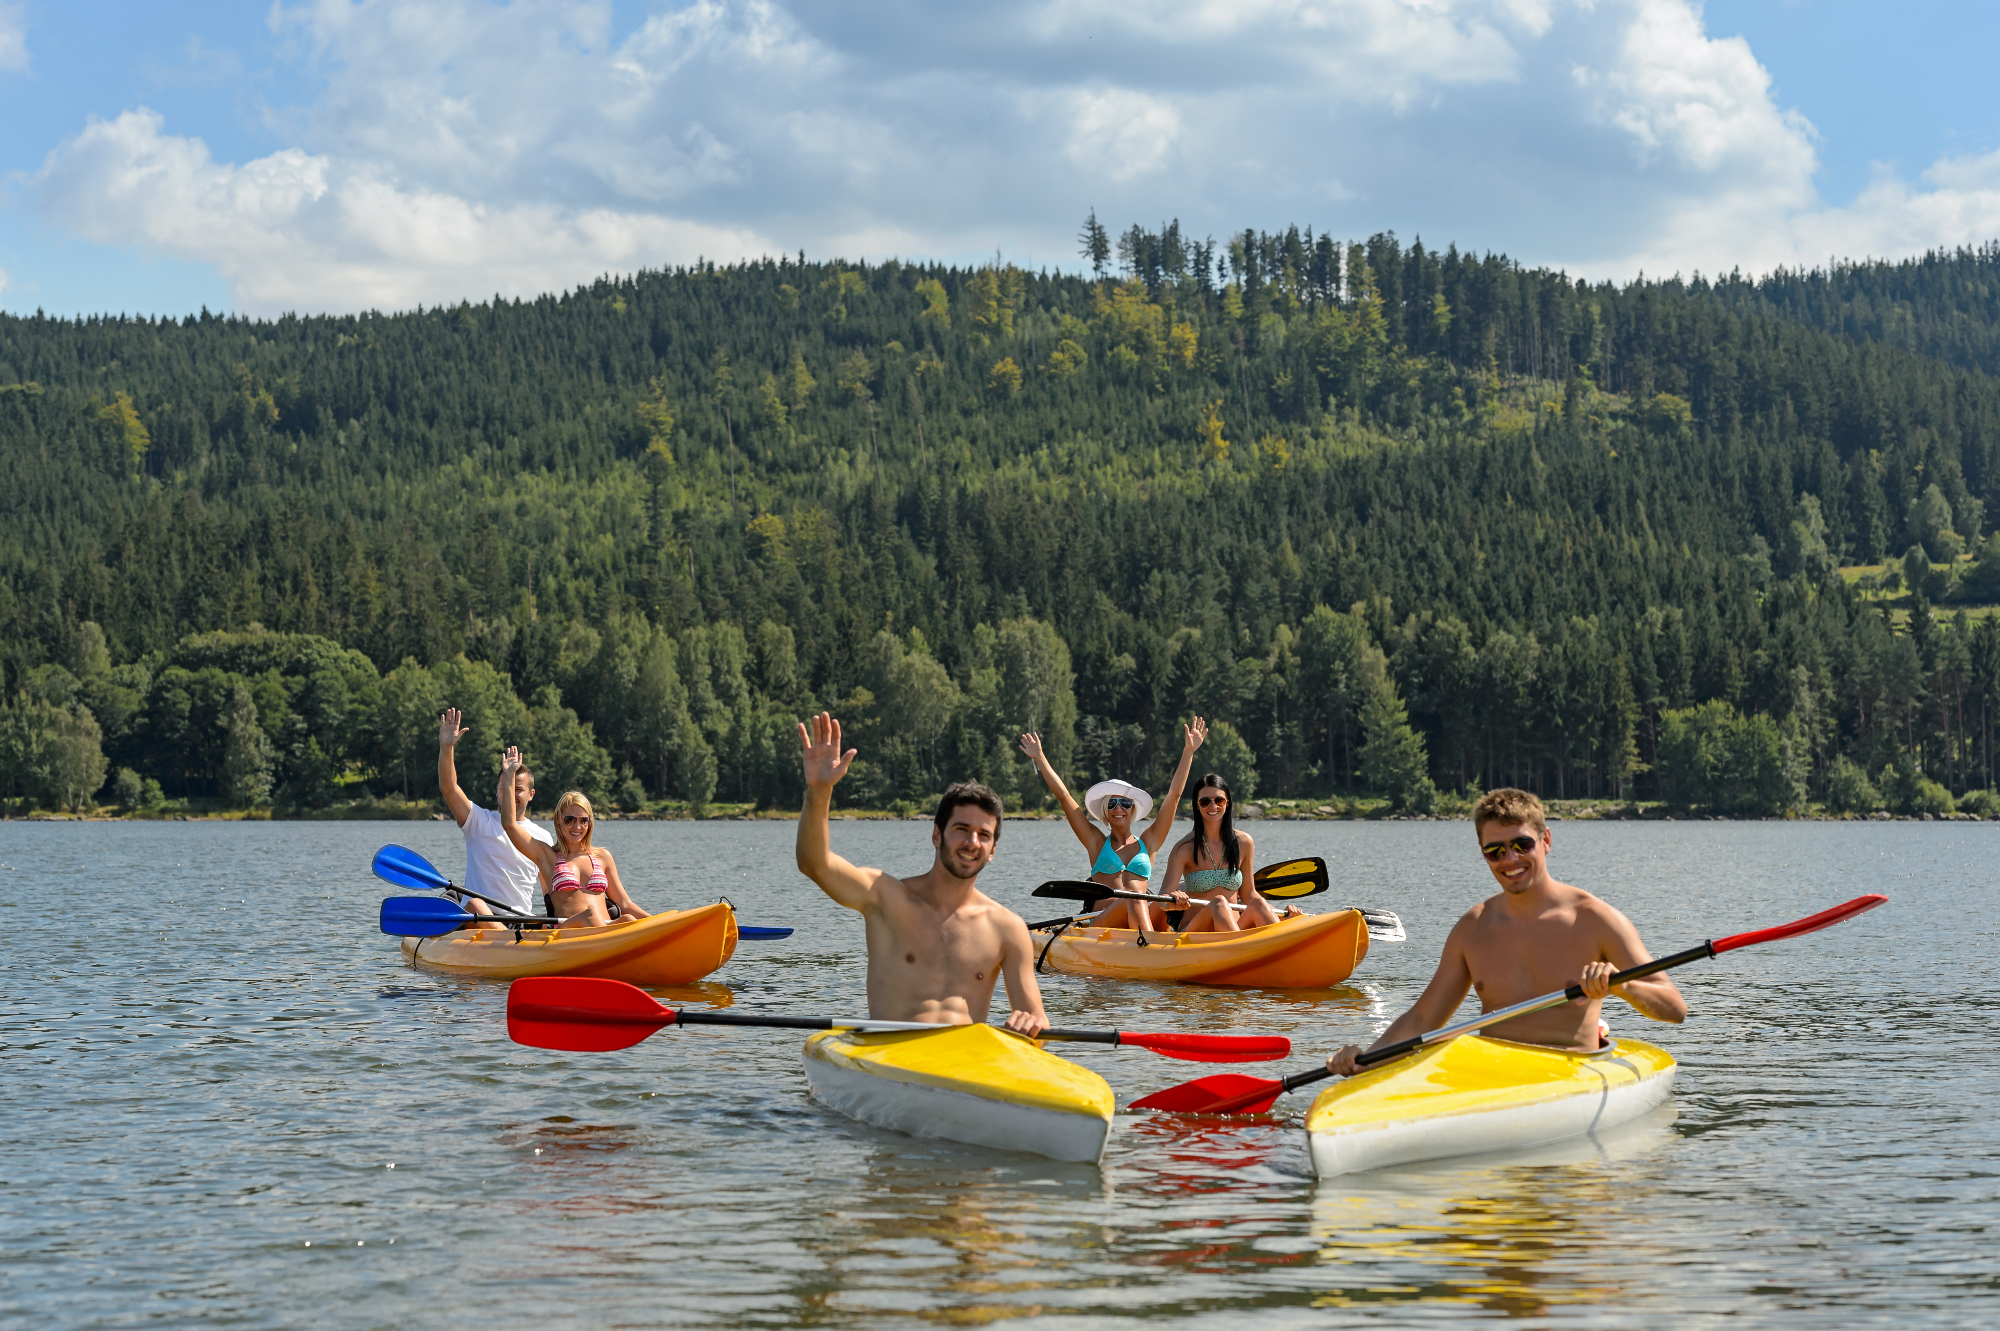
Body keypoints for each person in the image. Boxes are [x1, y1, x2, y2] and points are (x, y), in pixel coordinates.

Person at [1324, 787, 1687, 1077]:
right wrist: (1366, 1059)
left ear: (1545, 840)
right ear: (1483, 854)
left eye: (1522, 845)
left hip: (1574, 1071)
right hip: (1495, 1074)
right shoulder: (1472, 929)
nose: (1510, 860)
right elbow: (1422, 1019)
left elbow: (1674, 1009)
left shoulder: (1596, 919)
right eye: (1495, 851)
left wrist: (1622, 985)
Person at [794, 711, 1048, 1034]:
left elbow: (1037, 1023)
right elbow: (814, 863)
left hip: (963, 1068)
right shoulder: (884, 897)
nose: (972, 842)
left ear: (993, 850)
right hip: (891, 1060)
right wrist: (819, 791)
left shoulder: (1008, 929)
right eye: (961, 829)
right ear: (936, 835)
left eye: (984, 835)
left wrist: (1031, 1026)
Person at [1018, 719, 1206, 932]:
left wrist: (1188, 752)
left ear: (1132, 809)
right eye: (1112, 804)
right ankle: (1151, 949)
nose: (1119, 809)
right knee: (1133, 893)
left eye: (1125, 803)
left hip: (1140, 922)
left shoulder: (1149, 841)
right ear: (1106, 811)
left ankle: (1158, 948)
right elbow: (1064, 796)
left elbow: (1174, 796)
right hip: (1103, 925)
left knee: (1162, 903)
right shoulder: (1096, 843)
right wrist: (1039, 757)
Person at [498, 745, 651, 928]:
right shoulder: (547, 856)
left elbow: (625, 905)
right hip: (567, 935)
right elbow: (509, 825)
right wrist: (508, 777)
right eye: (569, 819)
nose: (577, 826)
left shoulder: (603, 857)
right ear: (559, 820)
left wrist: (664, 921)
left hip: (604, 933)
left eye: (583, 820)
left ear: (589, 823)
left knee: (628, 920)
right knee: (591, 915)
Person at [437, 707, 554, 926]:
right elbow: (449, 788)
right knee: (475, 905)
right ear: (497, 791)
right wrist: (446, 747)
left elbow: (549, 889)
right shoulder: (478, 821)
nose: (510, 793)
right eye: (505, 786)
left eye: (517, 788)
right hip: (479, 917)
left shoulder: (543, 837)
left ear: (531, 794)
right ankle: (513, 948)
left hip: (520, 922)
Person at [1158, 772, 1295, 932]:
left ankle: (1284, 943)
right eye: (1205, 801)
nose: (1213, 806)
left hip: (1235, 929)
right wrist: (1173, 898)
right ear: (1197, 805)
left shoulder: (1244, 843)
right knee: (1218, 903)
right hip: (1195, 933)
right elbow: (1162, 899)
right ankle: (1242, 949)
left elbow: (1249, 895)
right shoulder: (1184, 848)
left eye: (1219, 800)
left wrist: (1283, 914)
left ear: (1227, 802)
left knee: (1258, 904)